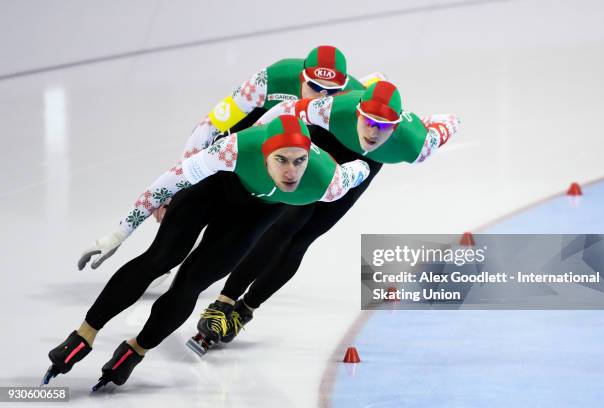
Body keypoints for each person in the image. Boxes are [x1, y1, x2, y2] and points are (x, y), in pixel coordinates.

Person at [43, 115, 370, 389]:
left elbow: (362, 169)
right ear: (265, 154)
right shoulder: (233, 150)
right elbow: (166, 184)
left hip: (255, 215)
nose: (290, 172)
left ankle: (136, 350)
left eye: (299, 161)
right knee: (161, 258)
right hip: (214, 189)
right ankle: (83, 336)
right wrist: (117, 234)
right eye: (281, 160)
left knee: (191, 282)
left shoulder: (328, 181)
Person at [191, 81, 460, 351]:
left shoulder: (418, 143)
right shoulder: (333, 109)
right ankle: (223, 303)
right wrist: (255, 134)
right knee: (286, 223)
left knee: (304, 238)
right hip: (323, 150)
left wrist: (424, 122)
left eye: (384, 126)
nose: (374, 132)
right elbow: (287, 109)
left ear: (397, 125)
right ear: (357, 113)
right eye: (369, 121)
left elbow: (451, 120)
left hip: (361, 169)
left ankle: (245, 310)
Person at [77, 45, 372, 270]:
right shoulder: (270, 80)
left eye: (330, 91)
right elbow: (208, 127)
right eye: (313, 87)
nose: (319, 96)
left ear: (343, 88)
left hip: (302, 138)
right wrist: (121, 232)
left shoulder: (352, 99)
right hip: (257, 131)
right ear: (300, 77)